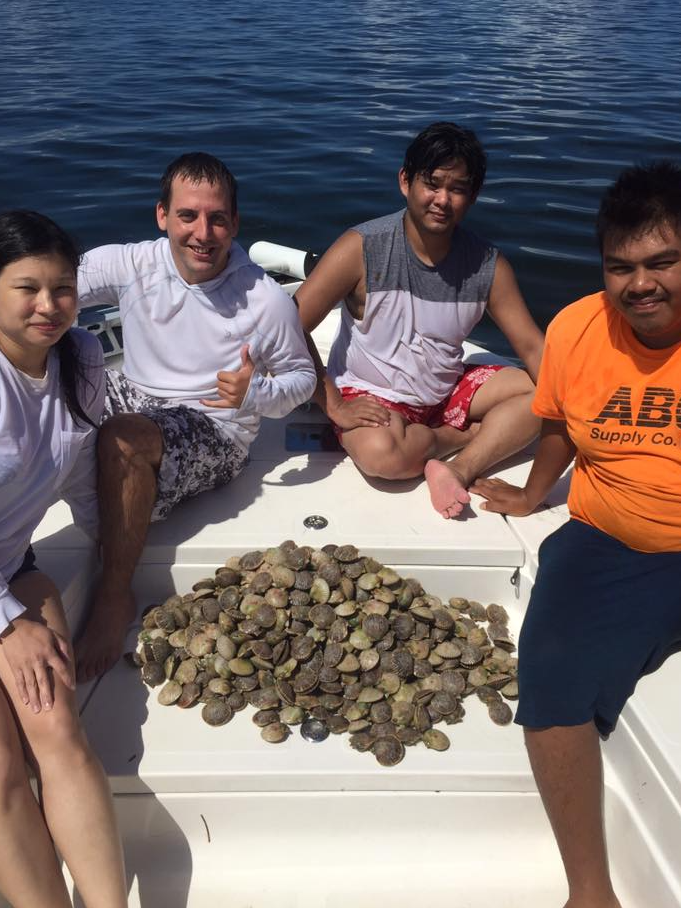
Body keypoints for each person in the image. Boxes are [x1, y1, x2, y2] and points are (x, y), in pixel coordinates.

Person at [472, 161, 681, 908]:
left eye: (662, 262)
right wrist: (533, 496)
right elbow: (556, 421)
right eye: (620, 267)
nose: (640, 284)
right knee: (551, 667)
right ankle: (589, 892)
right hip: (610, 542)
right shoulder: (575, 327)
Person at [75, 152, 316, 682]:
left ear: (235, 222)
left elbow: (302, 381)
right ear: (162, 216)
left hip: (214, 425)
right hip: (131, 395)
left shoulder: (265, 298)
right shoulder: (131, 262)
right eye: (188, 216)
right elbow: (52, 290)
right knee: (55, 366)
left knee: (121, 439)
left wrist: (252, 394)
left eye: (218, 218)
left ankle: (115, 595)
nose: (202, 233)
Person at [295, 121, 544, 519]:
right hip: (372, 396)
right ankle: (470, 436)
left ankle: (456, 467)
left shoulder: (488, 266)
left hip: (445, 390)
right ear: (405, 182)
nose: (442, 199)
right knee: (383, 458)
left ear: (473, 196)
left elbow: (534, 347)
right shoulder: (362, 248)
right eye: (432, 183)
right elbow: (287, 325)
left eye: (457, 188)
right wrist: (335, 404)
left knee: (547, 392)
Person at [0, 211, 127, 907]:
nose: (48, 306)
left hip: (12, 568)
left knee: (55, 721)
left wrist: (113, 561)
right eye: (27, 288)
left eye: (62, 287)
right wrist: (9, 625)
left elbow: (78, 471)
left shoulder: (78, 358)